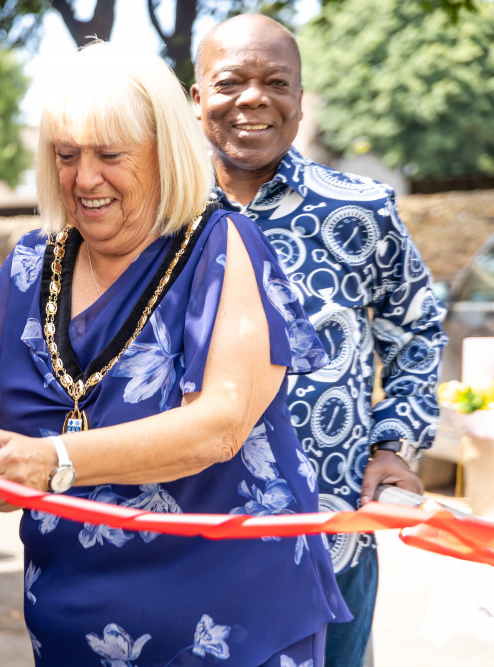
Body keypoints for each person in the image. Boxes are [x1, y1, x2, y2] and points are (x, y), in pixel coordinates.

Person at [0, 41, 350, 666]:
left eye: (110, 156)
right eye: (66, 156)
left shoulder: (223, 247)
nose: (84, 179)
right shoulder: (33, 262)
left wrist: (54, 459)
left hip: (231, 623)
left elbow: (218, 427)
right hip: (71, 620)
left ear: (164, 153)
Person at [190, 15, 446, 667]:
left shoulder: (359, 209)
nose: (254, 98)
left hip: (334, 538)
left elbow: (415, 326)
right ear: (196, 99)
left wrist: (396, 443)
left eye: (276, 82)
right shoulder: (162, 216)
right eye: (230, 82)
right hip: (189, 539)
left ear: (300, 102)